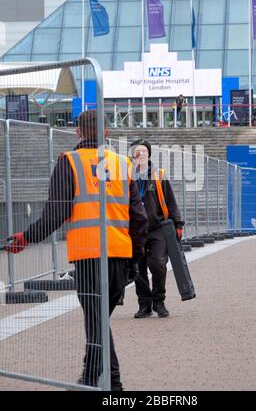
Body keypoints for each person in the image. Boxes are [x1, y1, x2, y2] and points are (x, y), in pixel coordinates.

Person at [4, 110, 148, 391]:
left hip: (88, 256)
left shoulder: (68, 162)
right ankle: (90, 376)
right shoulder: (122, 164)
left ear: (78, 132)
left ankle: (113, 385)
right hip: (120, 255)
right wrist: (136, 260)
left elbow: (55, 213)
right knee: (97, 322)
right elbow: (139, 218)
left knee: (96, 323)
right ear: (106, 133)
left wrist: (27, 236)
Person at [129, 138, 184, 319]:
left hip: (157, 227)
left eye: (144, 150)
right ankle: (144, 304)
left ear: (149, 154)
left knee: (158, 264)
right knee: (138, 268)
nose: (141, 153)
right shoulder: (127, 176)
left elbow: (170, 200)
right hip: (135, 230)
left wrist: (178, 223)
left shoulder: (159, 175)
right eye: (138, 151)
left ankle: (159, 301)